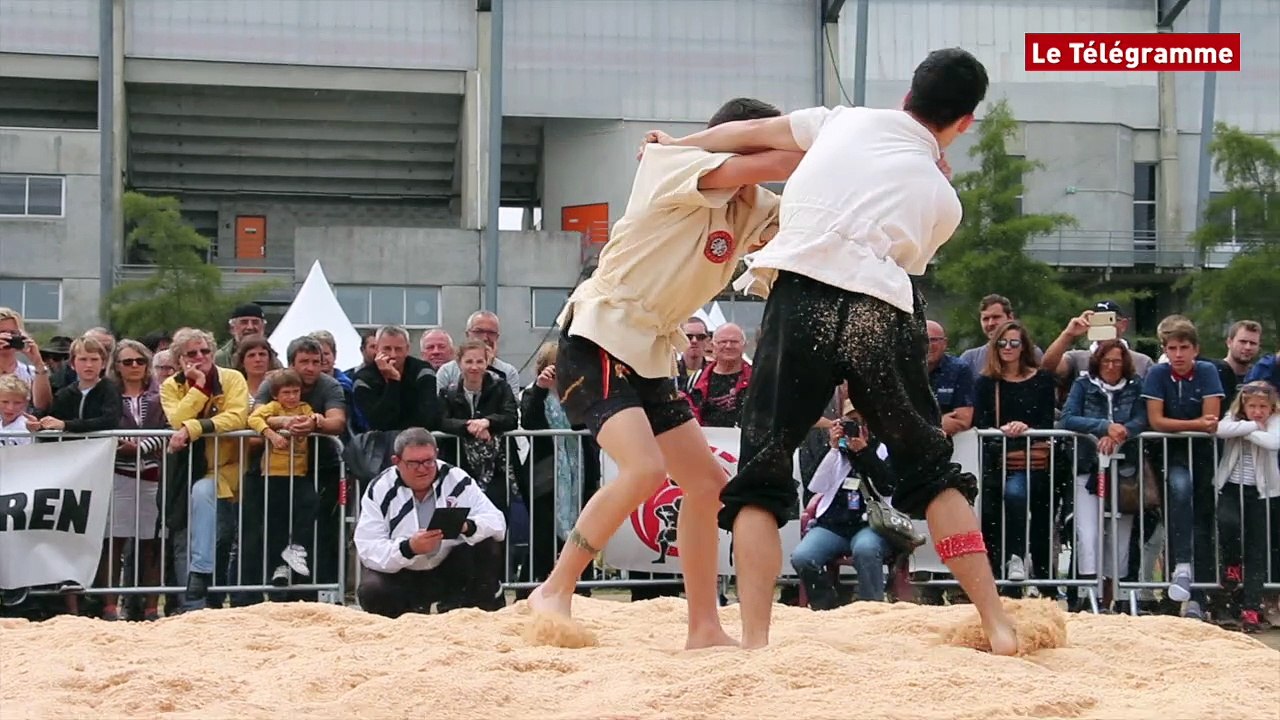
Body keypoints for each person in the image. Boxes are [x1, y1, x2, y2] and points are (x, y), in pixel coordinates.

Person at [648, 48, 1017, 653]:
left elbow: (744, 133)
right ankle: (996, 623)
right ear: (965, 122)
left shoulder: (845, 120)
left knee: (763, 469)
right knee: (931, 466)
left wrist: (678, 145)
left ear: (906, 96)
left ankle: (757, 641)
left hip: (804, 295)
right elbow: (901, 254)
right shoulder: (945, 201)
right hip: (885, 306)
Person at [526, 96, 804, 650]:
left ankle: (703, 625)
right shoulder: (672, 163)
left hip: (653, 350)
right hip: (598, 333)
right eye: (759, 135)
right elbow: (782, 162)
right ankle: (554, 589)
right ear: (735, 138)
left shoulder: (754, 206)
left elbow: (813, 204)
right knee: (644, 469)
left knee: (706, 485)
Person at [1212, 381, 1279, 633]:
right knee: (1228, 524)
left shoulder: (1275, 421)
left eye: (1263, 407)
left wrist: (1242, 430)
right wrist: (1251, 427)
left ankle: (1252, 607)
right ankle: (1232, 565)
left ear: (1271, 408)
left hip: (1262, 493)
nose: (1258, 411)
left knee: (1257, 548)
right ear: (1244, 405)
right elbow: (1220, 429)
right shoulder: (1236, 418)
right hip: (1231, 485)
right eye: (1252, 406)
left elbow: (1273, 442)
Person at [247, 369, 318, 585]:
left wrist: (314, 420)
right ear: (276, 395)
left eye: (295, 391)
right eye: (286, 392)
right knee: (276, 522)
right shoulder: (273, 407)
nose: (291, 397)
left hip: (298, 473)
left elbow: (313, 418)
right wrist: (271, 433)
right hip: (274, 474)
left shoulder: (304, 408)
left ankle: (296, 548)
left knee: (310, 503)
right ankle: (277, 568)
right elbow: (253, 418)